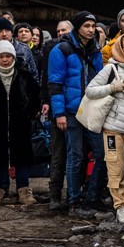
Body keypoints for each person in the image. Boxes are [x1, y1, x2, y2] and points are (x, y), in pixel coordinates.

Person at [84, 33, 124, 224]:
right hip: (113, 129)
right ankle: (121, 207)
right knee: (115, 169)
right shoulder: (110, 68)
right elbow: (90, 90)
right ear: (119, 48)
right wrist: (113, 87)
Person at [49, 12, 106, 214]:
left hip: (91, 110)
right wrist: (59, 113)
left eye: (93, 25)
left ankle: (91, 197)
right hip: (71, 111)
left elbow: (100, 79)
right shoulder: (61, 49)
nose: (91, 29)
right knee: (75, 156)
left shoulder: (95, 50)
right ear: (77, 27)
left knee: (101, 153)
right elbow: (55, 84)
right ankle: (74, 202)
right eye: (86, 26)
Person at [0, 41, 42, 207]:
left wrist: (31, 112)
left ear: (13, 56)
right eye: (2, 56)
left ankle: (23, 189)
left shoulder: (24, 74)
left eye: (8, 56)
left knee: (22, 156)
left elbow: (35, 94)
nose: (5, 59)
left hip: (20, 123)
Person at [39, 20, 72, 210]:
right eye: (58, 30)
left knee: (76, 154)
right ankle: (55, 194)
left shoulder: (79, 49)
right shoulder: (51, 49)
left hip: (76, 108)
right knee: (58, 153)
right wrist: (47, 102)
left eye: (64, 30)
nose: (61, 33)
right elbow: (48, 80)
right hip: (57, 107)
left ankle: (73, 194)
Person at [0, 18, 38, 89]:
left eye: (7, 30)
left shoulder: (24, 49)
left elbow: (34, 74)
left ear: (12, 32)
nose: (4, 34)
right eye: (0, 31)